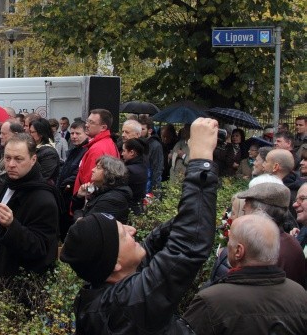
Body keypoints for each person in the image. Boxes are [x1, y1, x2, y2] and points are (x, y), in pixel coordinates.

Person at [59, 117, 219, 334]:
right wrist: (201, 161)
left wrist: (188, 215)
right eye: (124, 234)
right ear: (115, 263)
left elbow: (153, 245)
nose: (132, 229)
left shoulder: (108, 285)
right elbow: (187, 248)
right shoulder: (126, 306)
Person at [183, 213, 307, 334]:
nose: (227, 246)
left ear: (238, 251)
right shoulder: (300, 295)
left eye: (230, 241)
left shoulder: (211, 301)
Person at [0, 133, 59, 277]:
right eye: (7, 158)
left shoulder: (43, 198)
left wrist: (11, 225)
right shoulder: (6, 183)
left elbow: (41, 248)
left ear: (33, 160)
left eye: (18, 159)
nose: (11, 164)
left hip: (22, 281)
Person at [73, 155, 132, 223]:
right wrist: (79, 197)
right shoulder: (101, 190)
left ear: (109, 173)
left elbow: (85, 224)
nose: (93, 170)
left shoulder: (112, 199)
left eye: (98, 168)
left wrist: (79, 216)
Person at [73, 109, 119, 194]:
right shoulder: (108, 143)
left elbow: (89, 182)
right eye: (87, 121)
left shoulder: (97, 149)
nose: (86, 125)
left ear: (103, 127)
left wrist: (78, 198)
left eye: (91, 122)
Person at [56, 120, 88, 238]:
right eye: (72, 133)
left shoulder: (85, 151)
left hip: (72, 195)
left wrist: (64, 185)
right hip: (65, 195)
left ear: (86, 133)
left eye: (78, 133)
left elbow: (77, 173)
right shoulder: (75, 149)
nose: (74, 136)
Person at [121, 138, 148, 215]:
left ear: (132, 152)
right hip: (137, 208)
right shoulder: (142, 166)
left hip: (130, 209)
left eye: (124, 151)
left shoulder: (129, 170)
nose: (122, 154)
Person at [29, 118, 61, 183]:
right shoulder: (34, 147)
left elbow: (43, 177)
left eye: (32, 132)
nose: (30, 135)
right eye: (30, 132)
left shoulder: (49, 153)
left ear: (41, 133)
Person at [138, 116, 164, 194]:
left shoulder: (155, 145)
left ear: (149, 131)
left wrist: (155, 193)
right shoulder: (139, 143)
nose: (139, 132)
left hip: (148, 189)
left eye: (142, 129)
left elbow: (157, 170)